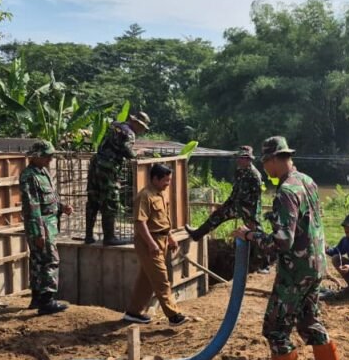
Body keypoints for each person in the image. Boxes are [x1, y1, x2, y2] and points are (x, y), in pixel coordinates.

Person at [233, 136, 343, 360]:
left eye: (265, 163)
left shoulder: (286, 192)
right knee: (310, 321)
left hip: (295, 271)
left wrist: (251, 236)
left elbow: (283, 241)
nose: (265, 169)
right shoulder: (307, 181)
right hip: (316, 265)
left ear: (273, 160)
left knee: (276, 328)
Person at [123, 163, 190, 327]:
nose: (168, 184)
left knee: (147, 279)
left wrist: (170, 237)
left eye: (169, 180)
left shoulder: (161, 194)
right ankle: (173, 315)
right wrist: (151, 243)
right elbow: (140, 223)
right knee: (161, 279)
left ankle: (133, 312)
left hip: (162, 240)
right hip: (148, 242)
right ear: (155, 179)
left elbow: (163, 219)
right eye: (165, 180)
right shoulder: (144, 196)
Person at [20, 140, 71, 315]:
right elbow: (32, 206)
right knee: (50, 260)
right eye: (47, 156)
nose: (50, 159)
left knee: (38, 261)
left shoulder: (43, 172)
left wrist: (62, 207)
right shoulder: (29, 176)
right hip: (40, 226)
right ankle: (47, 301)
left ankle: (37, 298)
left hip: (48, 224)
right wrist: (38, 233)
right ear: (36, 156)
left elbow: (49, 198)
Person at [84, 111, 150, 245]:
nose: (141, 130)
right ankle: (109, 237)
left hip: (96, 164)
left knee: (93, 199)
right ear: (135, 122)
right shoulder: (129, 133)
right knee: (110, 200)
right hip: (108, 168)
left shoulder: (115, 125)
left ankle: (88, 236)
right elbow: (128, 152)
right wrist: (137, 153)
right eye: (142, 127)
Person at [185, 145, 262, 241]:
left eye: (241, 158)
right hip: (236, 205)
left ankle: (266, 247)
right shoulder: (240, 172)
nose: (238, 160)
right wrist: (226, 205)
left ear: (248, 159)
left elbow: (256, 198)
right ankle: (197, 234)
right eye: (238, 157)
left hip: (248, 208)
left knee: (255, 232)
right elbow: (235, 191)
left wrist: (250, 214)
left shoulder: (254, 175)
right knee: (218, 214)